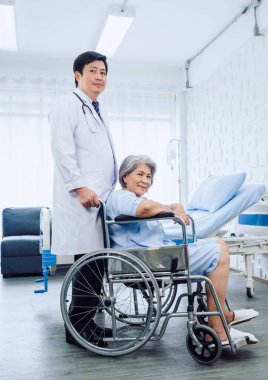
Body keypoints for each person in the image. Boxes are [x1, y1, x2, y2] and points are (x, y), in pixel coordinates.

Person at [106, 155, 259, 345]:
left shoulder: (130, 198)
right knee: (218, 254)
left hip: (153, 256)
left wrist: (172, 207)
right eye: (140, 174)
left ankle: (223, 316)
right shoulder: (120, 196)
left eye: (148, 176)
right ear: (125, 176)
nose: (146, 180)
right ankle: (218, 328)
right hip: (147, 261)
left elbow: (146, 206)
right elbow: (143, 210)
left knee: (219, 244)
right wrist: (171, 211)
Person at [49, 51, 117, 347]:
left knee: (96, 266)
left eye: (103, 71)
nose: (99, 76)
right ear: (77, 74)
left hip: (99, 202)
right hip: (83, 201)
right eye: (93, 71)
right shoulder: (67, 104)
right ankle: (77, 331)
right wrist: (79, 187)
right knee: (87, 266)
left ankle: (88, 323)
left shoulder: (95, 108)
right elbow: (62, 149)